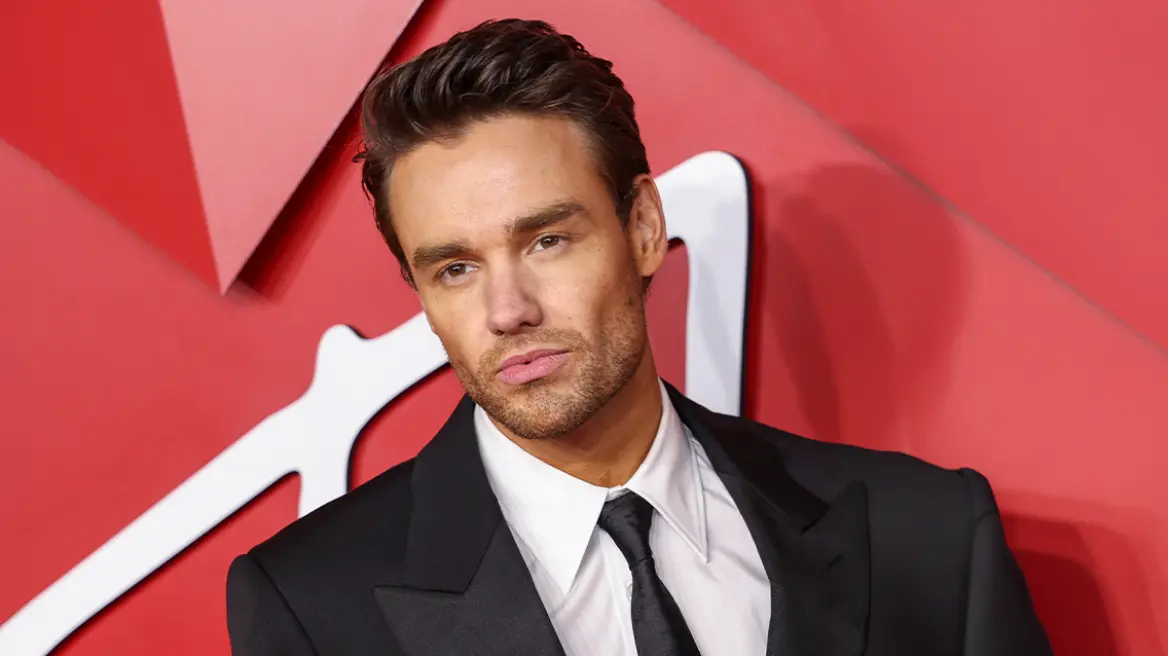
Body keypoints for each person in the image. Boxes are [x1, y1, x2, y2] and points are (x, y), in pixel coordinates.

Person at [225, 18, 1052, 656]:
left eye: (547, 240)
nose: (508, 310)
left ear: (646, 227)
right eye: (455, 268)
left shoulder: (927, 537)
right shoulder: (315, 606)